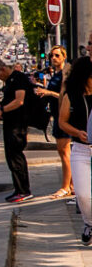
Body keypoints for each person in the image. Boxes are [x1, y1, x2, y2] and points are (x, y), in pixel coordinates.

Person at [59, 55, 92, 246]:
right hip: (81, 150)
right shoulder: (71, 95)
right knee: (82, 194)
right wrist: (77, 132)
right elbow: (62, 122)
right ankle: (89, 224)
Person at [0, 58, 32, 203]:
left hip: (17, 124)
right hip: (11, 123)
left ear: (2, 69)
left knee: (16, 157)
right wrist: (0, 105)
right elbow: (10, 99)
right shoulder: (10, 80)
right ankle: (18, 189)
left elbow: (19, 100)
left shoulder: (18, 78)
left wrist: (3, 110)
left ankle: (23, 190)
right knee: (11, 157)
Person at [35, 45, 72, 200]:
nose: (53, 58)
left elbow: (66, 96)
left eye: (57, 55)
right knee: (63, 152)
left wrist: (48, 92)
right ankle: (71, 185)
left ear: (64, 57)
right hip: (57, 114)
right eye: (51, 56)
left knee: (64, 152)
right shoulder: (57, 74)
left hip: (63, 116)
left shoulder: (65, 74)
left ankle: (65, 187)